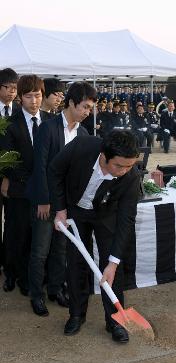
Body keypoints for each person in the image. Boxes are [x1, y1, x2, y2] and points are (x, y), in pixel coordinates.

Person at [49, 131, 140, 342]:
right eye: (119, 166)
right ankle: (77, 314)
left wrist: (113, 263)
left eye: (129, 165)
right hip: (75, 211)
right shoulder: (82, 147)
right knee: (76, 263)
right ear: (104, 155)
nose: (124, 171)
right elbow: (54, 170)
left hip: (106, 215)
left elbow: (126, 220)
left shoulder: (131, 176)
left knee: (112, 270)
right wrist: (60, 210)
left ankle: (115, 321)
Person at [26, 82, 96, 316]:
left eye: (90, 108)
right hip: (46, 201)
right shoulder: (48, 128)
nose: (87, 112)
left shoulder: (84, 133)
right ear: (72, 103)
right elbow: (41, 167)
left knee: (61, 249)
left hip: (68, 204)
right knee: (40, 251)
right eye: (85, 107)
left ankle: (56, 289)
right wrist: (44, 201)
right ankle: (37, 295)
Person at [1, 75, 51, 296]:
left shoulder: (51, 121)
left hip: (44, 192)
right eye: (28, 96)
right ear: (20, 98)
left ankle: (32, 277)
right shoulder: (10, 125)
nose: (34, 101)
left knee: (36, 236)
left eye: (37, 95)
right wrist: (33, 180)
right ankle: (13, 274)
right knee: (16, 233)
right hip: (19, 189)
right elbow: (8, 159)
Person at [0, 68, 20, 279]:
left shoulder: (18, 112)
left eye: (15, 89)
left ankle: (9, 261)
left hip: (13, 177)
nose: (12, 93)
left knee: (13, 221)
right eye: (9, 88)